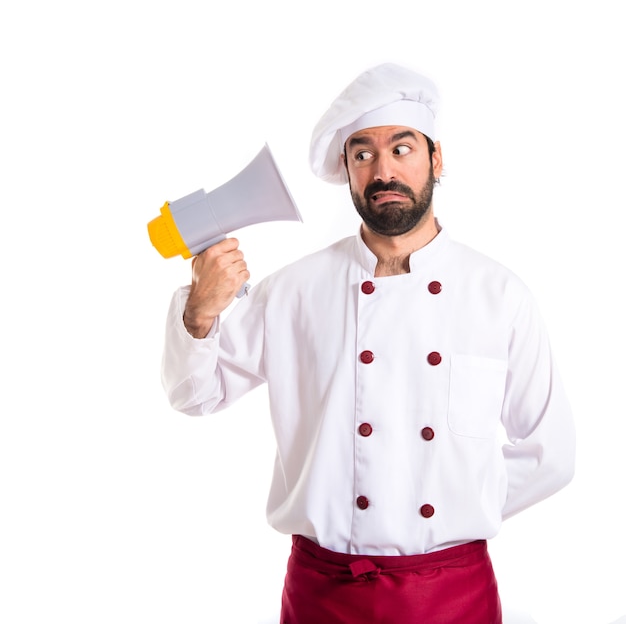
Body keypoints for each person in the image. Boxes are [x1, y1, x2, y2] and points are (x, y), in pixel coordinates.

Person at [160, 63, 576, 623]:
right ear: (346, 170)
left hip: (452, 594)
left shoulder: (499, 294)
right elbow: (195, 395)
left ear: (437, 158)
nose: (383, 170)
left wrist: (447, 509)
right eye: (362, 154)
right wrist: (201, 308)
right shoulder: (293, 291)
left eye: (402, 149)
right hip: (323, 594)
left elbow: (551, 453)